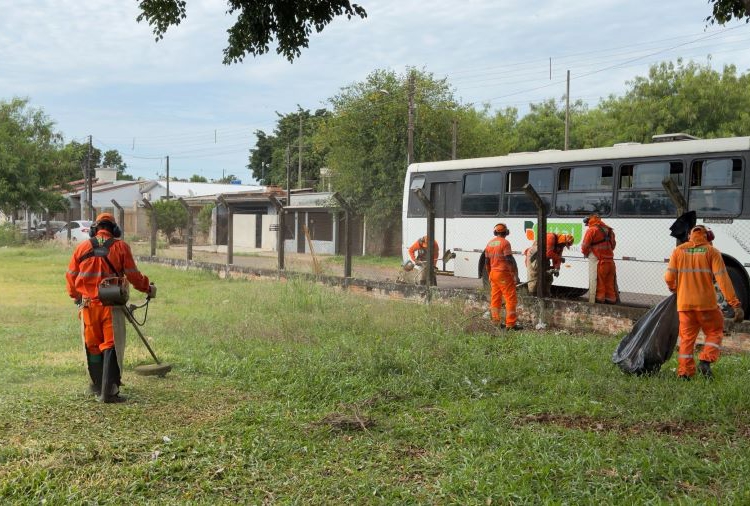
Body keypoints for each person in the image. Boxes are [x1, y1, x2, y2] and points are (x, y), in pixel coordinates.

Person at [66, 213, 155, 403]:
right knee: (111, 345)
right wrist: (148, 288)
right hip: (111, 307)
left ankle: (96, 385)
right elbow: (133, 276)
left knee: (93, 346)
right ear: (114, 229)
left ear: (94, 229)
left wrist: (76, 297)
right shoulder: (120, 247)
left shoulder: (82, 248)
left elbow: (71, 277)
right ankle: (109, 392)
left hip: (88, 307)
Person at [664, 225, 744, 379]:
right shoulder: (712, 252)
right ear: (708, 237)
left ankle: (685, 373)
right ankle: (706, 360)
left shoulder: (678, 251)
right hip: (706, 305)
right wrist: (735, 304)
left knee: (687, 339)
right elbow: (723, 280)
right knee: (714, 332)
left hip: (685, 306)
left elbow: (668, 277)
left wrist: (674, 288)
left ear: (689, 236)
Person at [484, 223, 522, 330]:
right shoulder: (505, 243)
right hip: (503, 274)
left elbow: (487, 261)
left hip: (493, 274)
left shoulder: (489, 244)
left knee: (495, 298)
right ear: (505, 232)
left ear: (495, 232)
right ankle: (510, 324)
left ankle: (496, 322)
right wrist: (514, 275)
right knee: (510, 298)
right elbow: (509, 260)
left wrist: (490, 274)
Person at [580, 214, 617, 304]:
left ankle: (598, 303)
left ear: (590, 221)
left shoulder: (592, 230)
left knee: (598, 284)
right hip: (610, 262)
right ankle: (611, 301)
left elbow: (584, 246)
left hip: (599, 262)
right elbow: (613, 245)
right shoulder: (609, 230)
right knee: (609, 284)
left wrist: (586, 253)